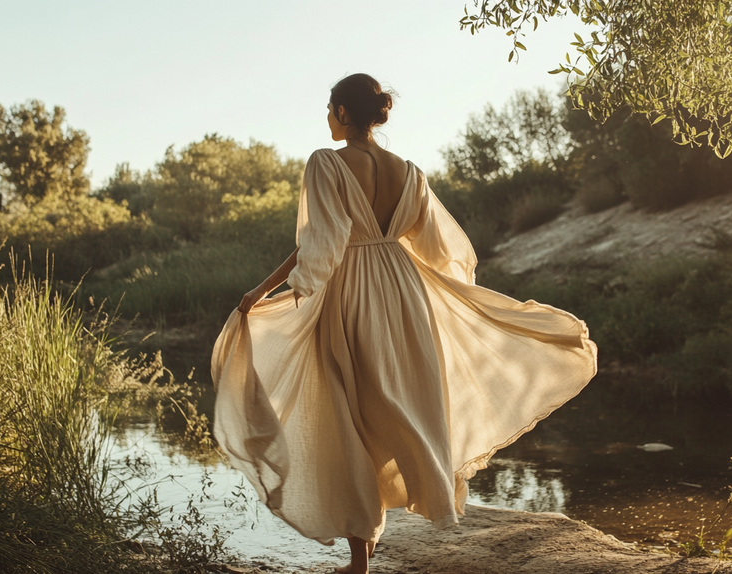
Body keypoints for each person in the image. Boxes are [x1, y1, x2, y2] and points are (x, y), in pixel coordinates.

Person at [211, 73, 597, 574]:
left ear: (344, 113)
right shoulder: (410, 172)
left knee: (348, 415)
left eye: (329, 109)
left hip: (353, 291)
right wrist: (436, 288)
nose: (327, 119)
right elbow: (439, 249)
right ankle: (371, 541)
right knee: (391, 405)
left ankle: (359, 558)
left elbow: (320, 245)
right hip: (403, 292)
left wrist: (269, 291)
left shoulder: (326, 163)